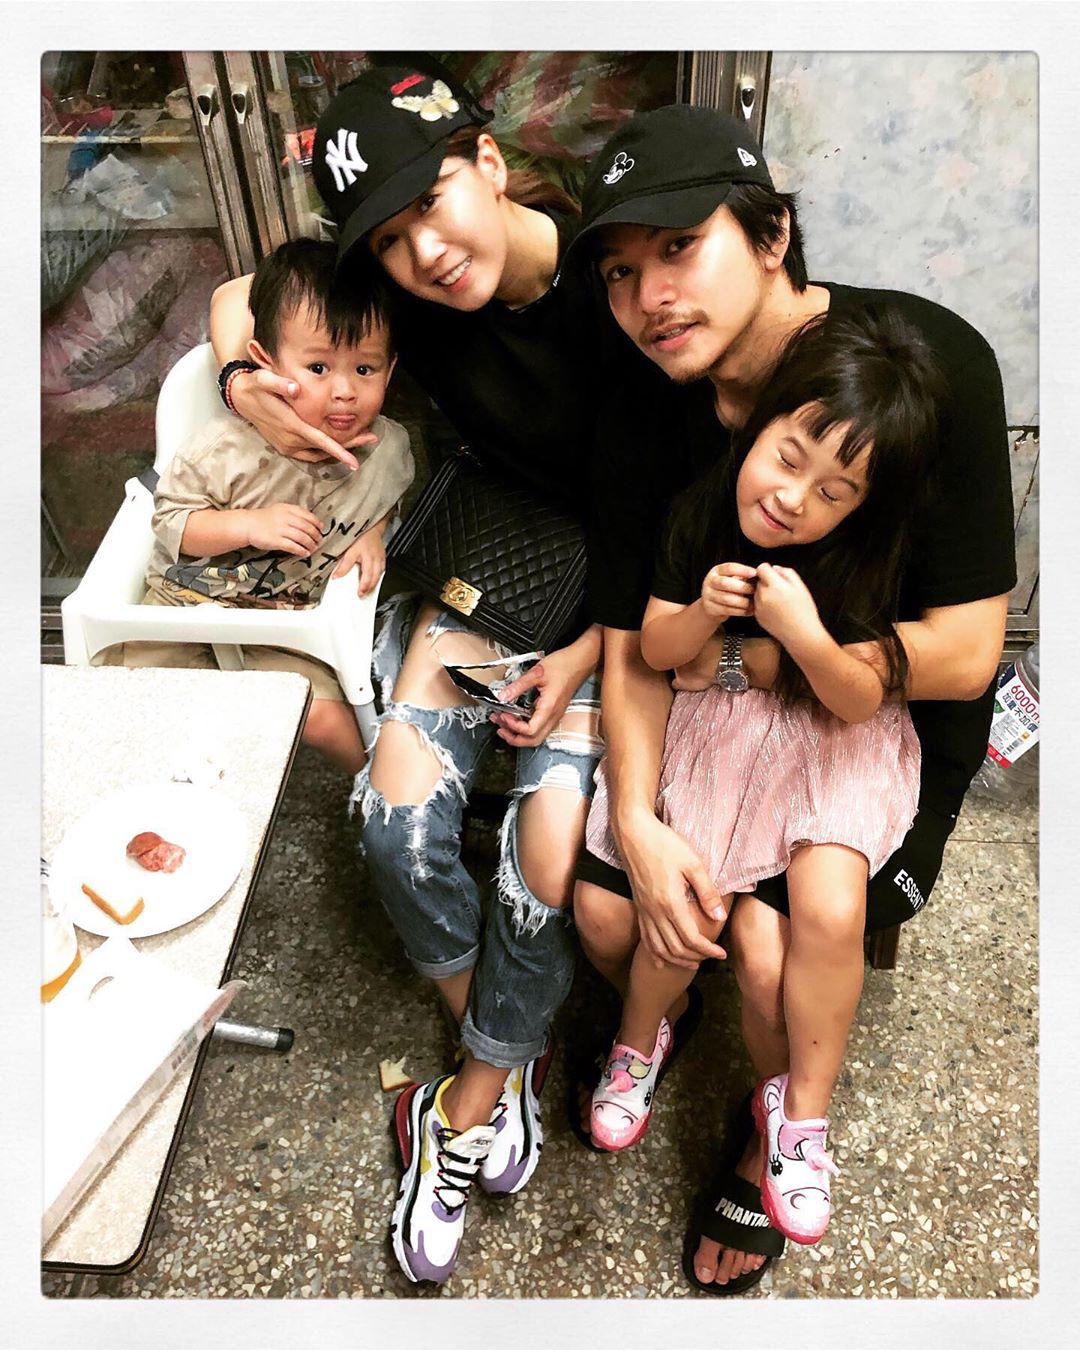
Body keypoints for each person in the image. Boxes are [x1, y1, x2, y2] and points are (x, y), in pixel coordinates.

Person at [205, 62, 666, 1286]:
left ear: (491, 163)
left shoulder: (622, 276)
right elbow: (246, 292)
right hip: (491, 561)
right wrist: (246, 375)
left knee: (544, 858)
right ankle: (501, 1055)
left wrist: (587, 656)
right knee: (396, 823)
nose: (424, 252)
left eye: (432, 202)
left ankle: (460, 1101)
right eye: (390, 238)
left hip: (624, 600)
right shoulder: (416, 289)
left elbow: (686, 491)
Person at [566, 104, 1016, 1294]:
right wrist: (643, 825)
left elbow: (969, 653)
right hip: (717, 724)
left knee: (772, 955)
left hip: (870, 729)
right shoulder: (640, 406)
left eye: (679, 247)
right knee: (612, 917)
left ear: (770, 236)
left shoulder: (917, 370)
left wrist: (802, 658)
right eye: (621, 272)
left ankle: (774, 1143)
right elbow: (637, 645)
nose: (650, 296)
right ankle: (666, 1026)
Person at [584, 309, 942, 1249]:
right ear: (761, 423)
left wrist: (808, 636)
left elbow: (856, 699)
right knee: (687, 896)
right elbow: (657, 653)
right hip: (724, 728)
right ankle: (638, 1042)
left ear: (862, 507)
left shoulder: (863, 558)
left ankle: (801, 1116)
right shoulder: (699, 511)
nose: (794, 500)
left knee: (830, 906)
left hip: (830, 735)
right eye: (788, 458)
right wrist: (704, 612)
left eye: (834, 492)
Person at [115, 237, 412, 775]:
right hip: (185, 612)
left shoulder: (387, 449)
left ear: (390, 371)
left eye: (364, 370)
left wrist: (374, 534)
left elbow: (390, 498)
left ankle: (375, 795)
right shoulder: (224, 448)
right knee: (151, 712)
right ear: (264, 363)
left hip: (287, 625)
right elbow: (172, 524)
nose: (344, 391)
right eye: (318, 367)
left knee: (325, 719)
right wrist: (248, 525)